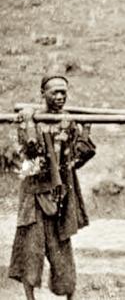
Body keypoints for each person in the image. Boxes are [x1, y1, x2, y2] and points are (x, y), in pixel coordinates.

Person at [8, 75, 96, 300]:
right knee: (31, 248)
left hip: (60, 194)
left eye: (63, 92)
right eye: (54, 92)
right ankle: (30, 298)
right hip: (35, 193)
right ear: (43, 93)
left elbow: (77, 157)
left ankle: (70, 297)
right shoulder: (31, 119)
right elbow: (29, 153)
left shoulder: (68, 121)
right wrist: (28, 122)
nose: (59, 96)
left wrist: (86, 128)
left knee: (62, 249)